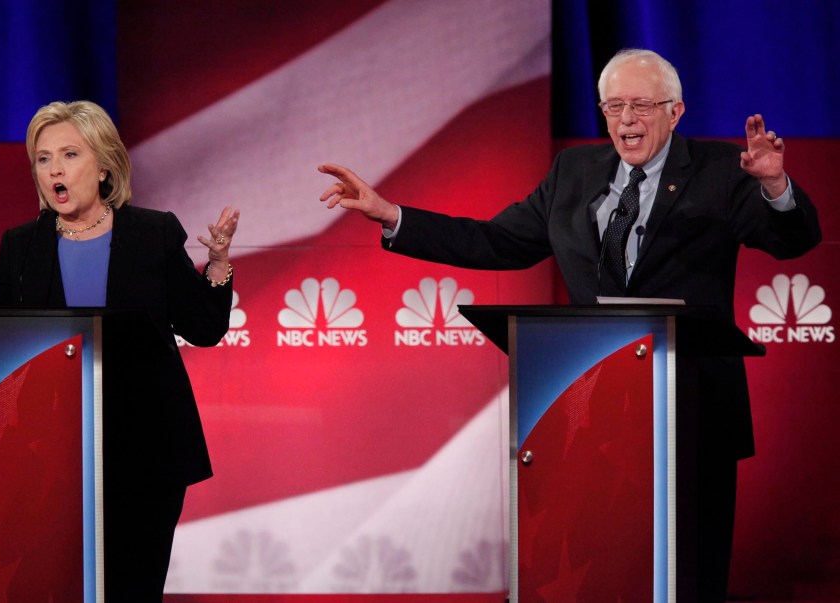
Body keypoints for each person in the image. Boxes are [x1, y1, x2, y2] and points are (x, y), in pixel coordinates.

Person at [318, 48, 820, 601]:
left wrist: (775, 187)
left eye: (641, 105)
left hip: (691, 408)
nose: (625, 119)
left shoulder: (722, 170)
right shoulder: (574, 172)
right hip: (589, 410)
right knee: (592, 567)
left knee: (689, 572)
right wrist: (394, 216)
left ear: (675, 113)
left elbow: (790, 242)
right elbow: (498, 241)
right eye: (613, 106)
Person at [0, 100, 239, 601]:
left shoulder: (154, 233)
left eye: (69, 154)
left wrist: (216, 266)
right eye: (43, 159)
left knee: (133, 589)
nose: (55, 170)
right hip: (49, 457)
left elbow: (204, 327)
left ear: (104, 164)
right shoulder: (22, 245)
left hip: (145, 451)